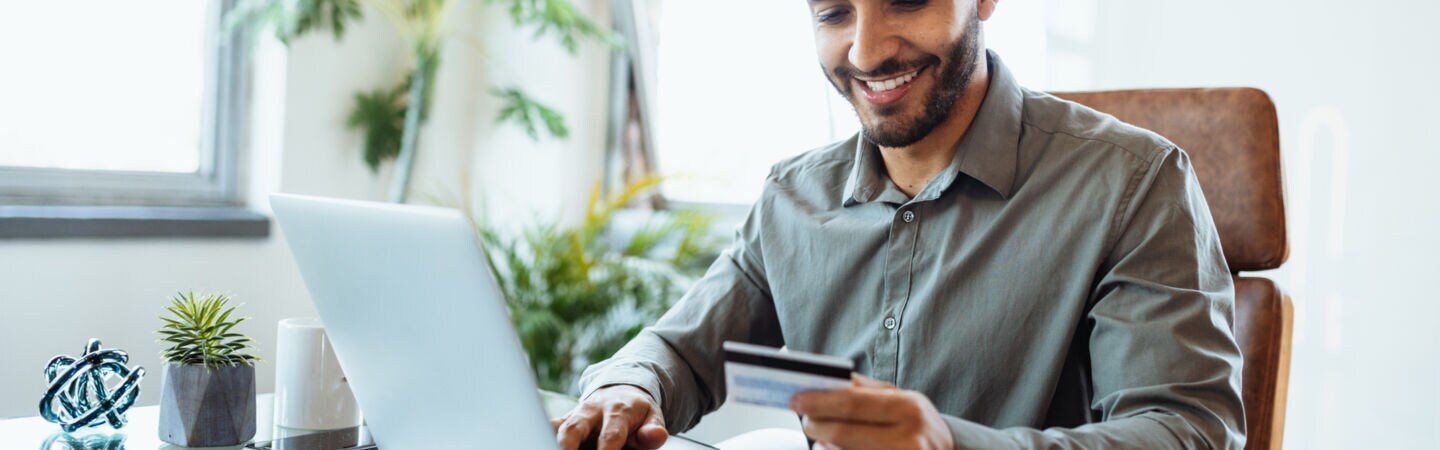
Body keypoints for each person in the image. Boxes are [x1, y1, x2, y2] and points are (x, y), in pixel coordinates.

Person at [552, 0, 1246, 448]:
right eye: (833, 13)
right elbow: (679, 350)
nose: (865, 50)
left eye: (906, 1)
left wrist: (949, 444)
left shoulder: (1133, 182)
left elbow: (1188, 432)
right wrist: (629, 386)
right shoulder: (793, 198)